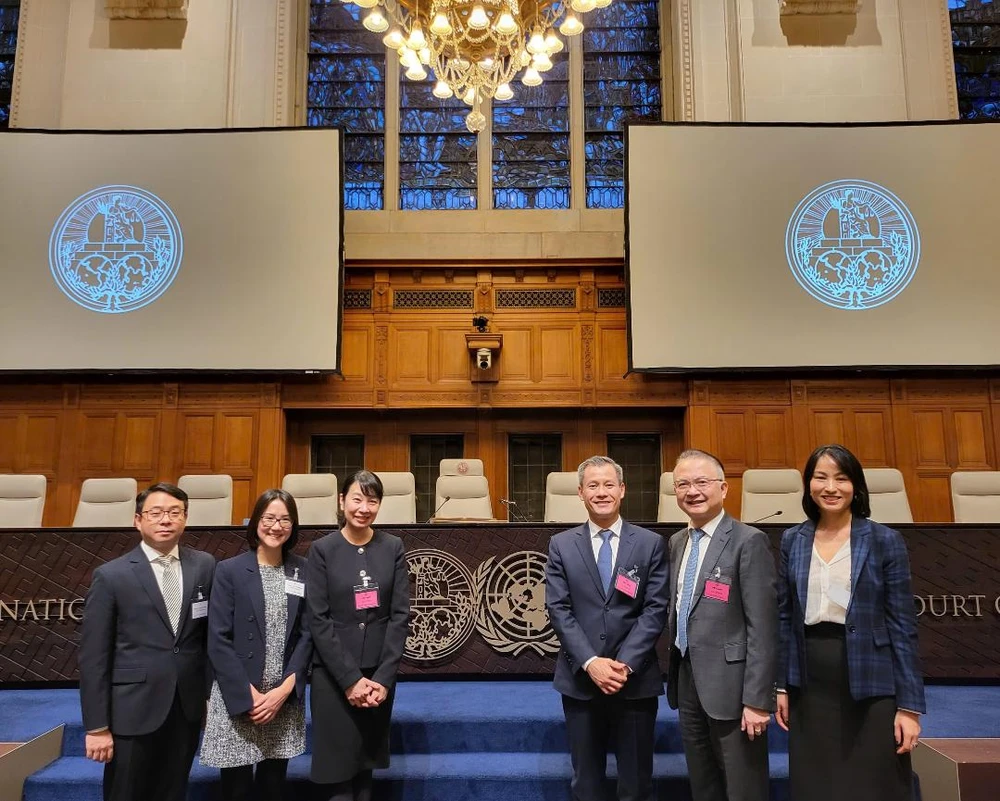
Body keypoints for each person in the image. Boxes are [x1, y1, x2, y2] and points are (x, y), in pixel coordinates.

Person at [775, 444, 924, 801]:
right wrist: (780, 685)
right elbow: (784, 617)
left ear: (856, 487)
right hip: (809, 679)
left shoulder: (885, 541)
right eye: (820, 477)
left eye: (841, 478)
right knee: (815, 782)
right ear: (808, 485)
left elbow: (903, 626)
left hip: (870, 677)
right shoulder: (793, 540)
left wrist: (909, 706)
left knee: (875, 782)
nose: (830, 487)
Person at [79, 482, 216, 801]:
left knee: (173, 790)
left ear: (185, 519)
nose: (165, 519)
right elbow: (93, 657)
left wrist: (209, 699)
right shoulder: (111, 576)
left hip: (185, 706)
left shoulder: (205, 565)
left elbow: (208, 639)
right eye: (156, 513)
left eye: (174, 512)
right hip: (131, 710)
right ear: (138, 520)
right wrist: (96, 726)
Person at [544, 455, 670, 801]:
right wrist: (592, 662)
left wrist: (624, 663)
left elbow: (655, 608)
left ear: (623, 490)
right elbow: (558, 608)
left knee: (636, 782)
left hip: (635, 680)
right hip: (580, 680)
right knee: (586, 783)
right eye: (593, 486)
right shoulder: (561, 545)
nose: (602, 492)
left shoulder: (649, 543)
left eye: (609, 484)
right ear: (581, 493)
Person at [665, 449, 777, 801]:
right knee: (703, 784)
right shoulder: (677, 542)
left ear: (724, 488)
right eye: (682, 484)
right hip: (687, 679)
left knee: (744, 788)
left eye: (701, 482)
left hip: (733, 687)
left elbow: (764, 626)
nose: (692, 491)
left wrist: (758, 700)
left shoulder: (749, 541)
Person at [200, 489, 313, 800]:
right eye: (270, 518)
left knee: (273, 784)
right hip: (239, 695)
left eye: (285, 520)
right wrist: (249, 696)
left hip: (282, 694)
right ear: (256, 522)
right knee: (235, 786)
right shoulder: (229, 570)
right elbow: (218, 638)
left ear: (293, 526)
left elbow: (308, 633)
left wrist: (283, 691)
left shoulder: (303, 570)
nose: (276, 526)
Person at [307, 470, 410, 801]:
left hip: (377, 676)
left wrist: (383, 678)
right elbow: (318, 619)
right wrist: (351, 680)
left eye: (372, 500)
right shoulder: (323, 550)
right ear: (341, 501)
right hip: (335, 678)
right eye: (356, 498)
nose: (364, 507)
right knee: (338, 774)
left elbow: (399, 615)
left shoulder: (392, 547)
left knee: (365, 769)